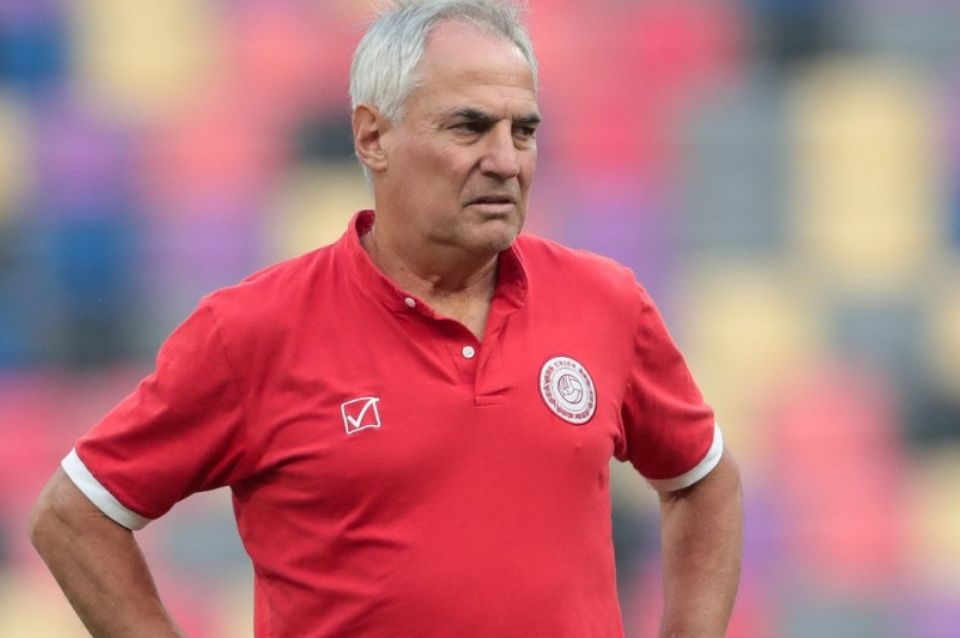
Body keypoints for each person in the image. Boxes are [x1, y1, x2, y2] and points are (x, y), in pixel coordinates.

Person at [28, 1, 742, 636]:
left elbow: (703, 481)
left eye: (523, 131)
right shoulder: (253, 329)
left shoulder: (605, 301)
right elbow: (73, 515)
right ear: (373, 136)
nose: (505, 160)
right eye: (470, 127)